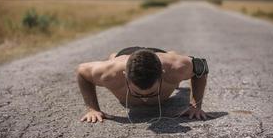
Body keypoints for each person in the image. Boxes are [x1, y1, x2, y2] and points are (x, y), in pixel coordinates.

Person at [77, 46, 212, 123]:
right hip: (124, 56)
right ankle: (114, 56)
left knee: (173, 64)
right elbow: (82, 71)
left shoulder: (176, 68)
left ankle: (171, 54)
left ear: (162, 74)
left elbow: (201, 67)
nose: (145, 99)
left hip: (161, 57)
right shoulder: (109, 73)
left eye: (152, 93)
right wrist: (92, 109)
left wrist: (195, 106)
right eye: (136, 93)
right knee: (114, 58)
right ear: (125, 76)